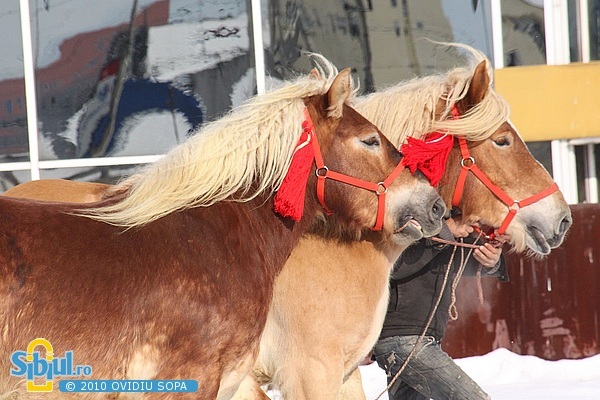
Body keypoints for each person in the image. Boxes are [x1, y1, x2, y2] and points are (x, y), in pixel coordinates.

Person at [372, 214, 509, 400]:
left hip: (422, 338)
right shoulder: (402, 210)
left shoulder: (448, 218)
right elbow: (391, 265)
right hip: (403, 338)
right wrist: (445, 230)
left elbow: (464, 262)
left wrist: (493, 261)